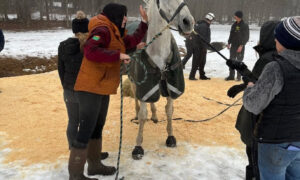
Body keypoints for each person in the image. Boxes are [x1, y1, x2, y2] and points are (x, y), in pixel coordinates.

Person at [69, 3, 148, 180]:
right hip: (90, 88)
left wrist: (143, 23)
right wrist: (118, 56)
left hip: (102, 86)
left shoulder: (114, 32)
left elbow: (128, 42)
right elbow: (91, 51)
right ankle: (75, 175)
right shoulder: (102, 29)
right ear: (116, 15)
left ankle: (95, 165)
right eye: (124, 16)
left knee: (97, 127)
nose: (126, 19)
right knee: (86, 129)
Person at [243, 16, 300, 180]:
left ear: (287, 42)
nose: (275, 40)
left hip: (275, 143)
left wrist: (249, 89)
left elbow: (253, 105)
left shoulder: (276, 68)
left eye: (278, 37)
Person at [227, 20, 280, 180]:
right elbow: (259, 81)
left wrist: (244, 84)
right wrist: (242, 69)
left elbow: (257, 87)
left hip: (260, 122)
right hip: (274, 126)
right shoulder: (277, 55)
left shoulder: (268, 58)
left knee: (254, 158)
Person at [182, 12, 215, 80]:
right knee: (197, 61)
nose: (212, 21)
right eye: (212, 20)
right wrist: (204, 48)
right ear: (210, 19)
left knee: (202, 61)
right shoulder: (204, 26)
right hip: (198, 46)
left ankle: (202, 75)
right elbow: (202, 38)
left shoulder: (200, 24)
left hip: (196, 45)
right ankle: (192, 76)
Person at [226, 11, 249, 81]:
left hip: (240, 46)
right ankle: (231, 76)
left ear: (239, 16)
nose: (234, 17)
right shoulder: (234, 25)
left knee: (239, 61)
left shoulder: (245, 25)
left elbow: (246, 37)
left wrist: (242, 45)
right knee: (231, 60)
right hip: (233, 45)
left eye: (235, 16)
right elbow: (231, 34)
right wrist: (229, 42)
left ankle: (238, 77)